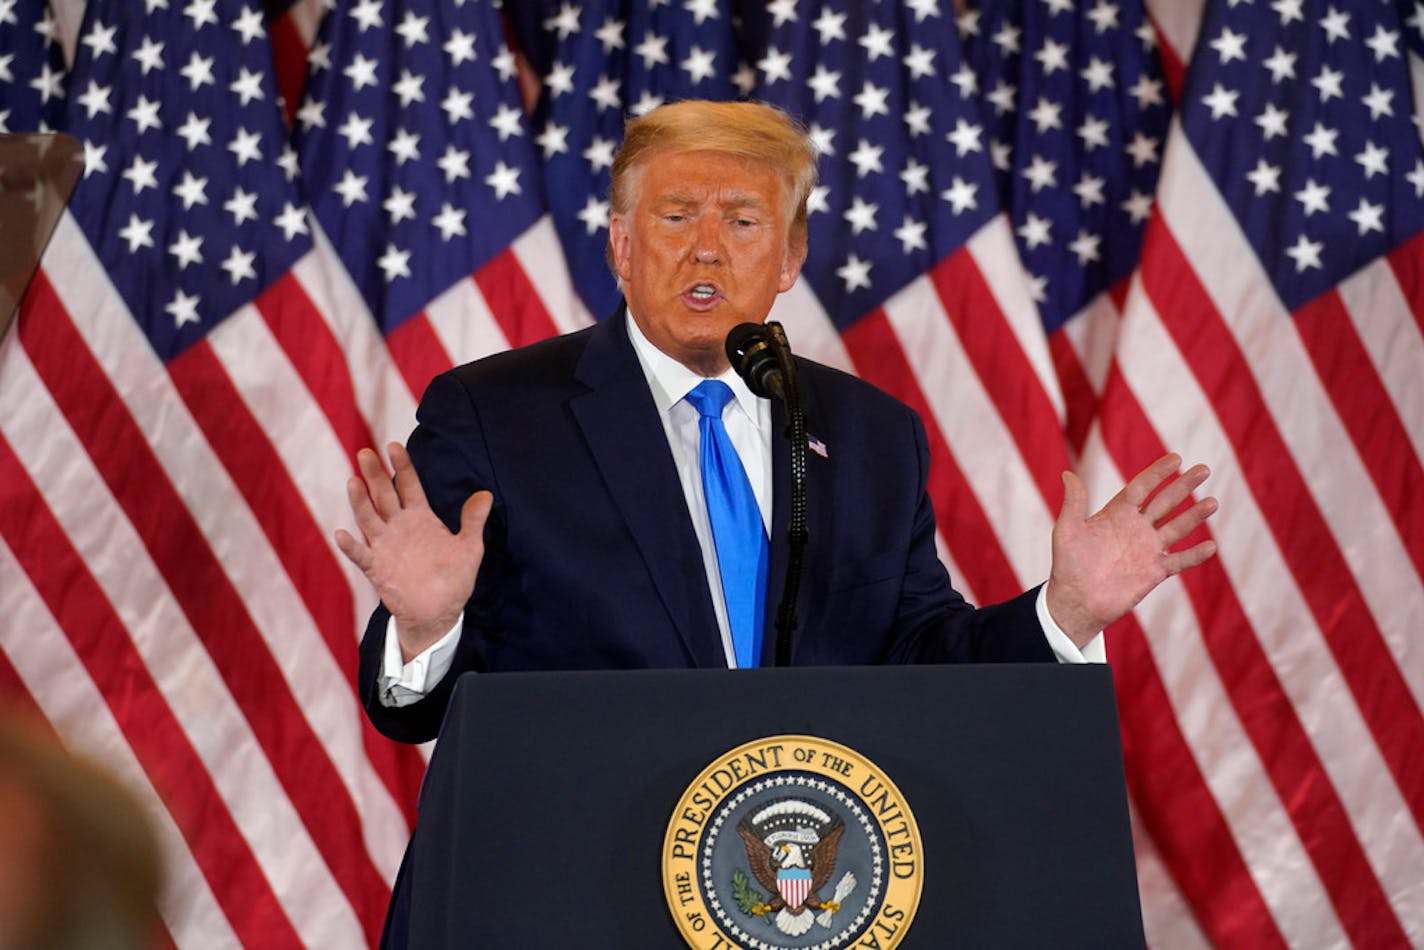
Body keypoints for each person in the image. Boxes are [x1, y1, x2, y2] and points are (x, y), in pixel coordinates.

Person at [337, 100, 1217, 745]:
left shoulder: (871, 433)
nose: (706, 248)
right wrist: (424, 629)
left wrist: (1063, 613)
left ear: (791, 257)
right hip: (577, 876)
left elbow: (921, 662)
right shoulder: (495, 415)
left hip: (798, 882)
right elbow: (409, 712)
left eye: (744, 222)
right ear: (619, 245)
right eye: (676, 217)